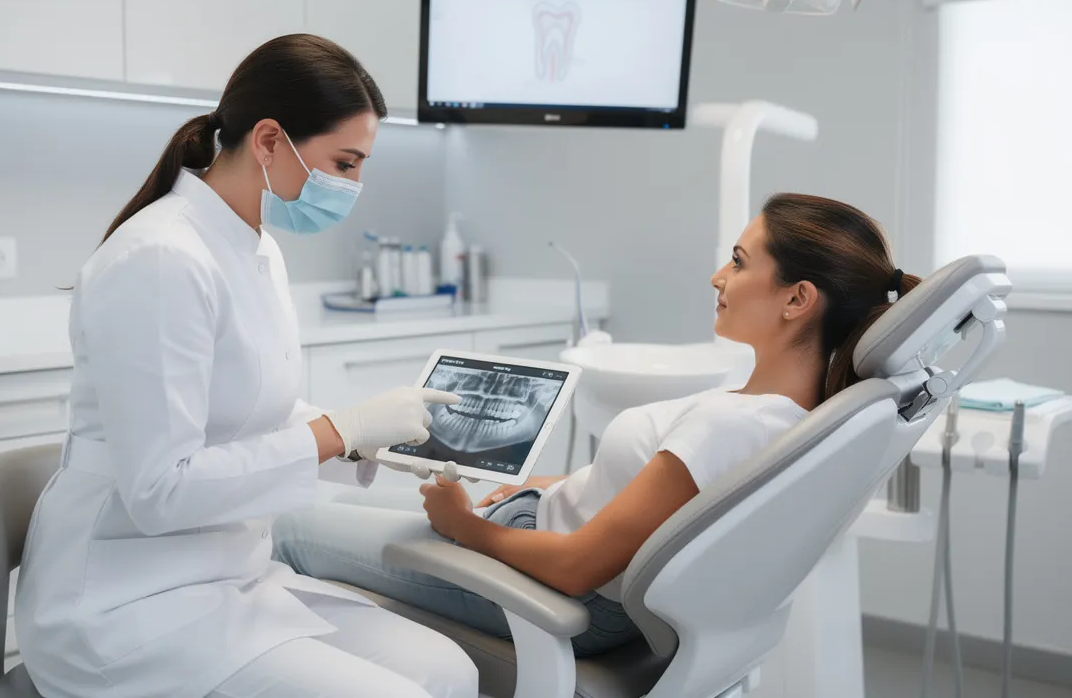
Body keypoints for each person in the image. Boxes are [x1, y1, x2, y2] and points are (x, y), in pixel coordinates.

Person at [14, 35, 478, 698]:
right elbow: (160, 490)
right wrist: (337, 431)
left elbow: (246, 405)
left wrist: (366, 435)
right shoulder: (159, 259)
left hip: (230, 579)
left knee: (450, 673)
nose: (353, 187)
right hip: (123, 602)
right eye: (344, 164)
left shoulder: (255, 250)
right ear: (268, 141)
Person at [273, 193, 921, 656]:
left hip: (546, 584)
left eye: (740, 262)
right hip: (534, 527)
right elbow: (654, 500)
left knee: (293, 524)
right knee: (363, 496)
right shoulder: (785, 415)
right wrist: (542, 486)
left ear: (797, 299)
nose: (718, 276)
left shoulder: (731, 423)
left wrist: (463, 527)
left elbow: (581, 566)